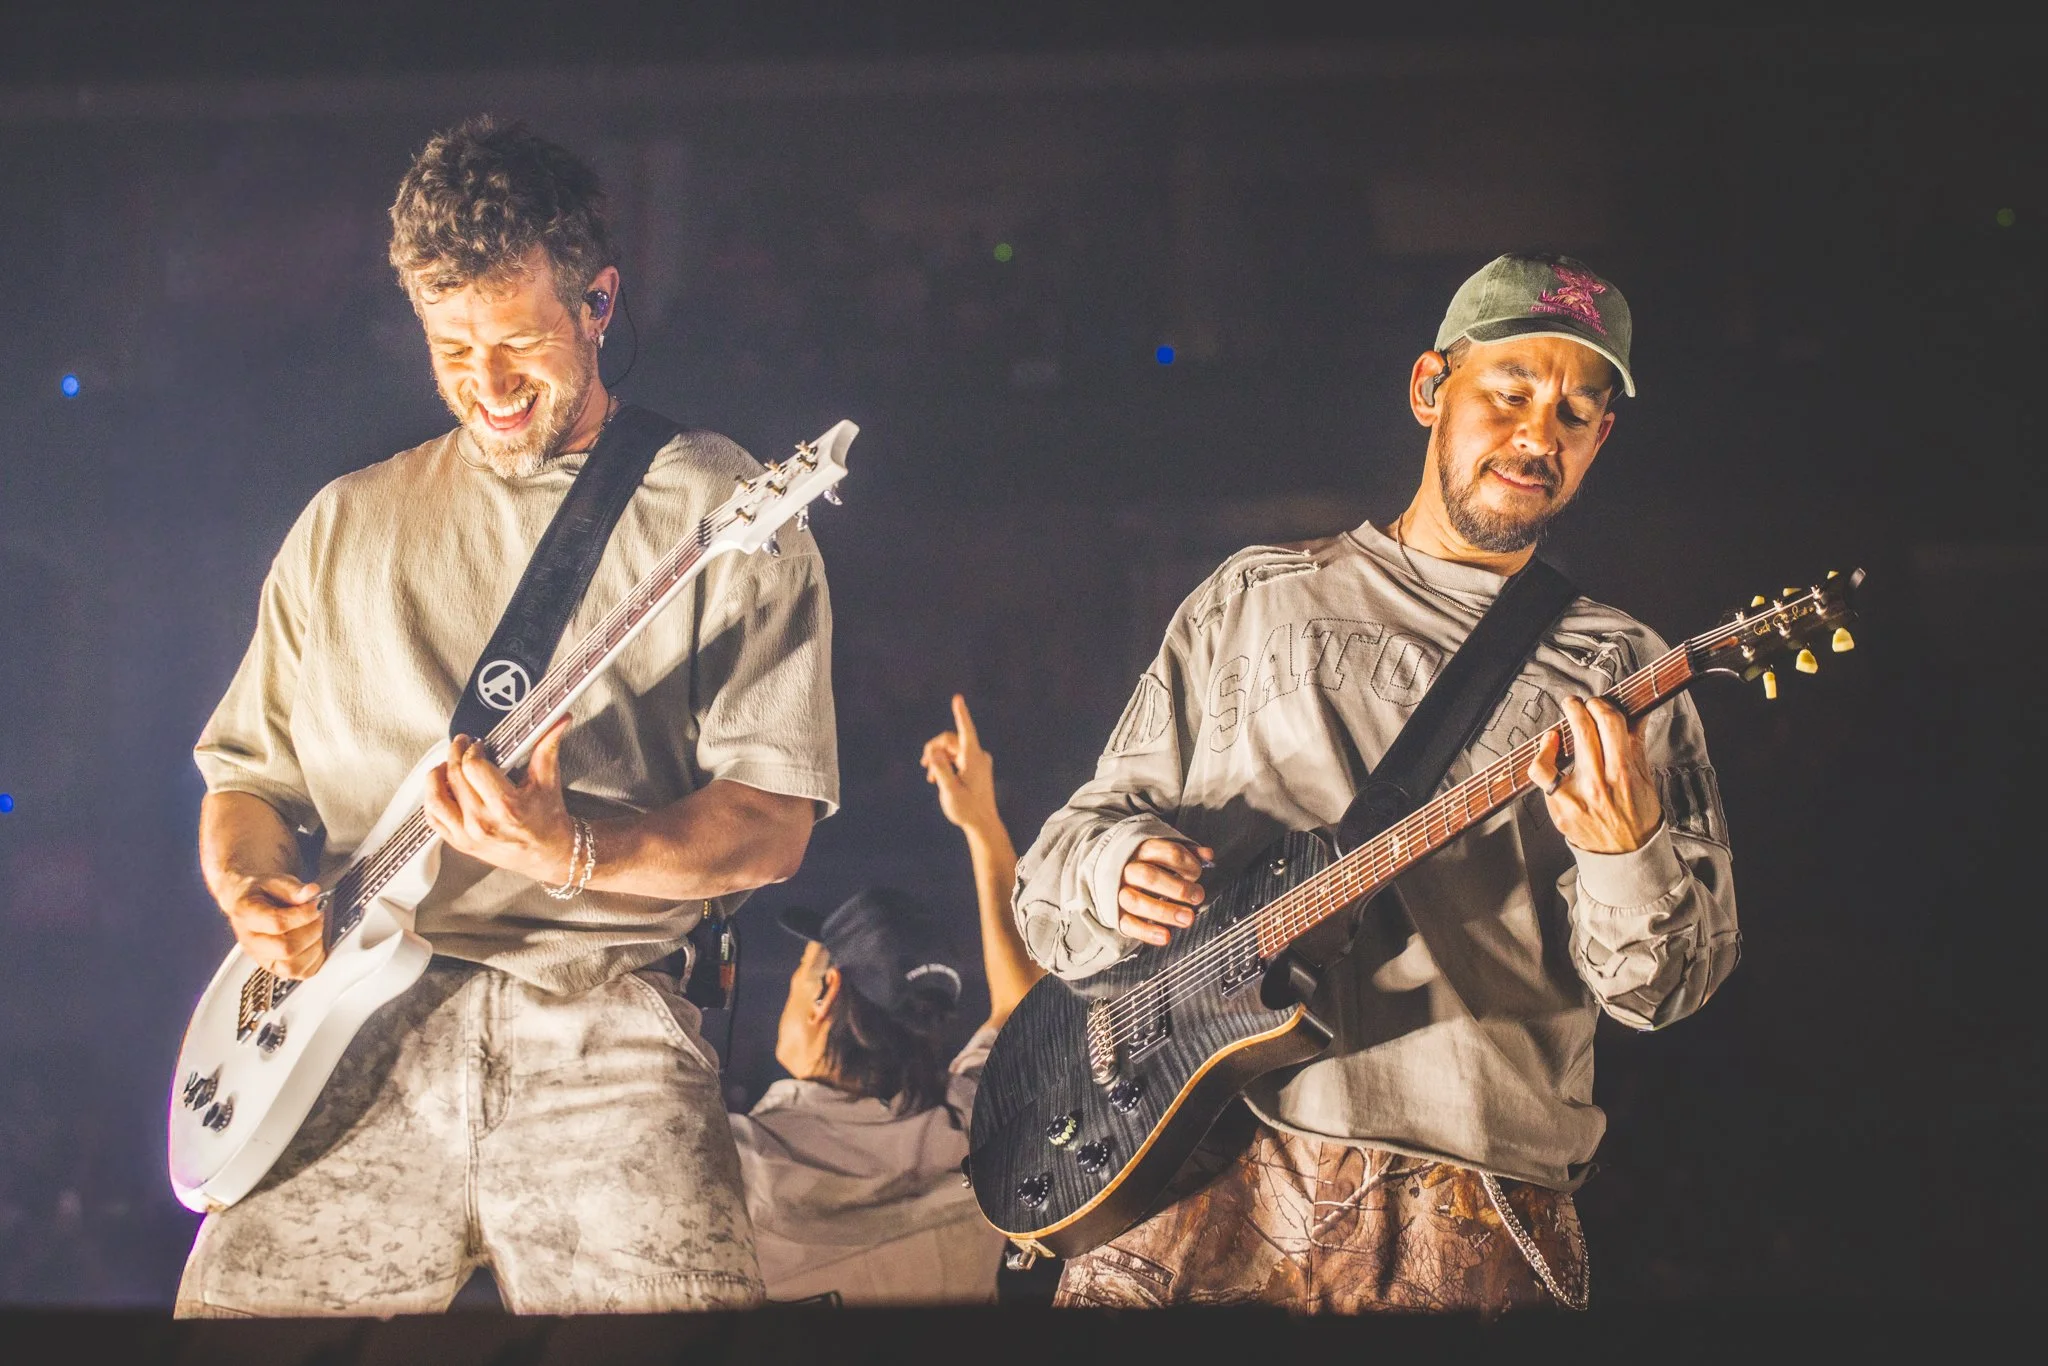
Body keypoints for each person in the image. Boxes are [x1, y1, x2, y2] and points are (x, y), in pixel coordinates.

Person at [178, 117, 837, 1316]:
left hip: (604, 1019)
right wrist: (251, 890)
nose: (487, 386)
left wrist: (573, 846)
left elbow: (772, 818)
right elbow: (249, 784)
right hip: (345, 1041)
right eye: (451, 346)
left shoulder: (720, 508)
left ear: (597, 303)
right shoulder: (342, 523)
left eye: (521, 341)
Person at [1014, 254, 1738, 1313]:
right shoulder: (1253, 599)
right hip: (1194, 1170)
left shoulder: (1622, 670)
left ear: (1601, 439)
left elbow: (1666, 987)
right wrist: (1114, 868)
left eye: (1574, 412)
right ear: (1426, 389)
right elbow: (1054, 877)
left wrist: (1626, 853)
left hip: (1467, 1203)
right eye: (1508, 393)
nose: (1539, 434)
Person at [729, 694, 1044, 1304]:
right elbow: (1020, 1004)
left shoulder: (740, 1160)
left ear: (826, 994)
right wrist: (982, 821)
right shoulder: (970, 1131)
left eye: (801, 976)